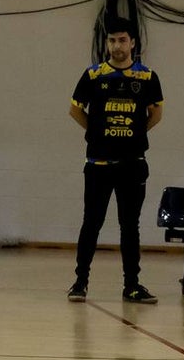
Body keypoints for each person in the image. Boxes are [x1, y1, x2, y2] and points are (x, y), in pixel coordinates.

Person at [67, 17, 164, 304]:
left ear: (132, 42)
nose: (116, 45)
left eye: (122, 40)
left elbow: (155, 114)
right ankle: (80, 282)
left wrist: (133, 135)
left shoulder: (146, 77)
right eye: (112, 40)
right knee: (91, 222)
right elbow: (75, 110)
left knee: (129, 225)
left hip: (132, 164)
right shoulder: (94, 75)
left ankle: (132, 285)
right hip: (98, 164)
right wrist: (97, 132)